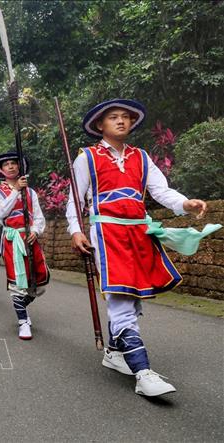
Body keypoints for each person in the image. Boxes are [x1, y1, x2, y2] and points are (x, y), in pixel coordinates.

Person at [67, 98, 216, 397]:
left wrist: (185, 203)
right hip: (107, 233)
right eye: (114, 118)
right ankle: (142, 372)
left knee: (132, 298)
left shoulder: (142, 157)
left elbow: (160, 190)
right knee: (121, 296)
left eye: (126, 117)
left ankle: (114, 352)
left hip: (139, 232)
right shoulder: (87, 158)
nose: (121, 121)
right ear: (100, 125)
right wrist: (74, 230)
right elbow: (74, 197)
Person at [0, 151, 50, 340]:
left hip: (30, 240)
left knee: (39, 283)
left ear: (19, 167)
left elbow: (39, 217)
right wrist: (15, 190)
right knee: (18, 283)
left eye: (14, 163)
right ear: (1, 170)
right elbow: (1, 212)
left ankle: (21, 306)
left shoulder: (30, 192)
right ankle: (23, 321)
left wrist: (36, 231)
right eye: (6, 164)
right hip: (13, 240)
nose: (10, 166)